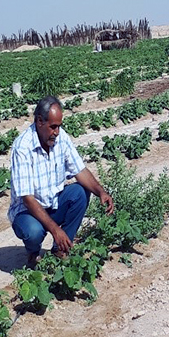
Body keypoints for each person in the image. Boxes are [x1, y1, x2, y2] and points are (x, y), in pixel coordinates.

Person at [8, 96, 114, 268]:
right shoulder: (23, 147)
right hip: (28, 211)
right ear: (39, 122)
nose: (57, 132)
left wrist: (100, 192)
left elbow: (80, 170)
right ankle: (33, 253)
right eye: (53, 127)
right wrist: (56, 230)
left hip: (53, 203)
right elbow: (27, 199)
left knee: (80, 193)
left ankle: (60, 249)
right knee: (33, 232)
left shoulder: (60, 137)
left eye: (59, 126)